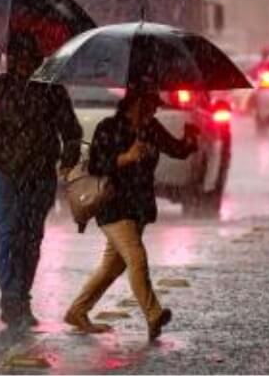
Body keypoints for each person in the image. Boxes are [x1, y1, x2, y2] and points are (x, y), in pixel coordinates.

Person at [0, 31, 83, 328]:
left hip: (40, 175)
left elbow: (71, 131)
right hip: (2, 172)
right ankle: (11, 300)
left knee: (31, 238)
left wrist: (66, 162)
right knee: (8, 233)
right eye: (15, 57)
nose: (20, 63)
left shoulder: (52, 90)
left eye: (26, 57)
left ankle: (21, 297)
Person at [64, 88, 199, 340]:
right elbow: (96, 165)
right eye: (150, 105)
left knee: (112, 266)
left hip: (138, 207)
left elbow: (176, 150)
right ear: (135, 103)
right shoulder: (109, 127)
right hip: (113, 206)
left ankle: (77, 311)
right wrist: (125, 158)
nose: (154, 110)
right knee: (136, 257)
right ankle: (153, 314)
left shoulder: (151, 128)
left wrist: (189, 141)